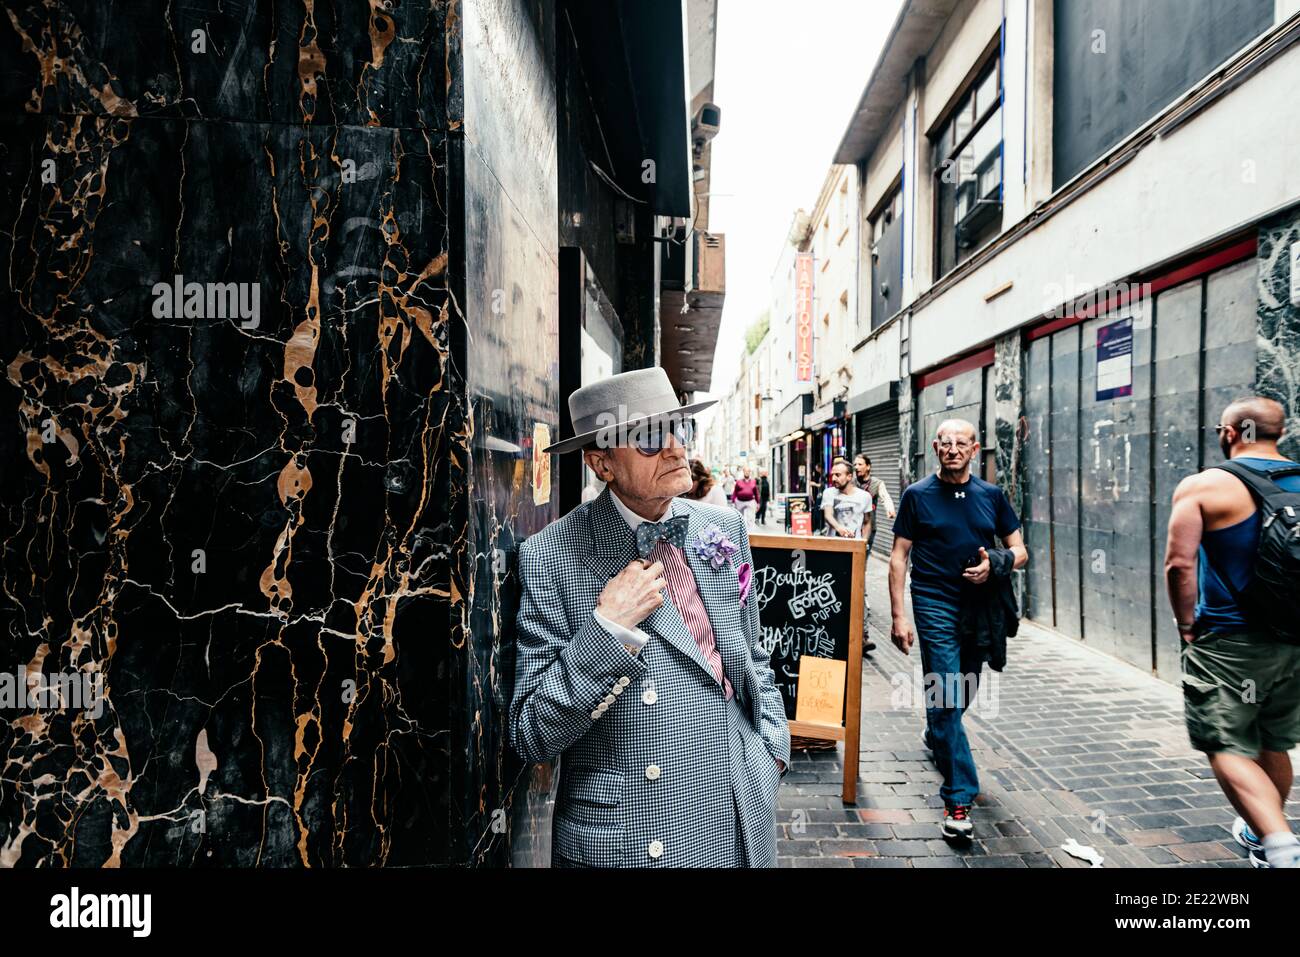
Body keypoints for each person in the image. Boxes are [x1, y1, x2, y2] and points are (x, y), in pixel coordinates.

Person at [510, 367, 790, 868]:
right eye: (647, 438)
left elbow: (752, 654)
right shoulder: (550, 556)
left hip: (736, 812)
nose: (675, 448)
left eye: (678, 429)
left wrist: (769, 750)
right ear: (602, 463)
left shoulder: (722, 527)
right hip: (635, 832)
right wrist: (606, 630)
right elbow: (531, 734)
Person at [1164, 396, 1300, 868]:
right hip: (1293, 640)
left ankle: (1281, 844)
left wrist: (1186, 627)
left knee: (1225, 743)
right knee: (1272, 742)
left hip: (1228, 642)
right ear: (1278, 433)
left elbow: (1179, 565)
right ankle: (1264, 836)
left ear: (1230, 432)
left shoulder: (1205, 487)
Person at [888, 419, 1027, 840]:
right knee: (947, 694)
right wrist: (898, 615)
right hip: (933, 603)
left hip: (979, 608)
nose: (952, 449)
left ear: (975, 448)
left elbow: (1020, 550)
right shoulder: (917, 496)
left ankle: (937, 732)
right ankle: (959, 799)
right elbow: (898, 558)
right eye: (945, 443)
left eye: (961, 443)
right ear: (935, 448)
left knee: (961, 690)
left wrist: (995, 564)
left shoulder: (992, 496)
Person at [822, 459, 876, 652]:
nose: (834, 478)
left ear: (849, 476)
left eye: (838, 475)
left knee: (860, 592)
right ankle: (833, 633)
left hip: (855, 550)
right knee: (831, 592)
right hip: (833, 550)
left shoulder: (864, 497)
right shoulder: (829, 493)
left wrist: (865, 542)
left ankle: (862, 636)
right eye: (832, 474)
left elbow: (868, 521)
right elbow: (828, 515)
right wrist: (840, 529)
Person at [853, 453, 895, 556]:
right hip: (852, 527)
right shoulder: (851, 482)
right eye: (855, 465)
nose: (856, 467)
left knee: (862, 558)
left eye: (860, 464)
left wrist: (890, 509)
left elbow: (885, 497)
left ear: (868, 466)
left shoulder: (877, 483)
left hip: (869, 527)